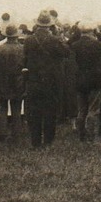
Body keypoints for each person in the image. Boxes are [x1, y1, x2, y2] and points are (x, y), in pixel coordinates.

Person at [23, 12, 71, 148]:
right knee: (50, 111)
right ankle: (48, 141)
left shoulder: (29, 40)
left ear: (37, 24)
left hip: (34, 80)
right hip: (51, 81)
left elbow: (25, 58)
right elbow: (67, 52)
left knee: (34, 112)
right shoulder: (55, 40)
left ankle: (35, 142)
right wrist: (60, 36)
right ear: (50, 25)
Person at [0, 25, 26, 143]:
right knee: (16, 109)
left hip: (1, 81)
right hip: (17, 82)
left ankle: (2, 135)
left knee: (2, 109)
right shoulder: (22, 49)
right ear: (16, 36)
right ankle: (16, 135)